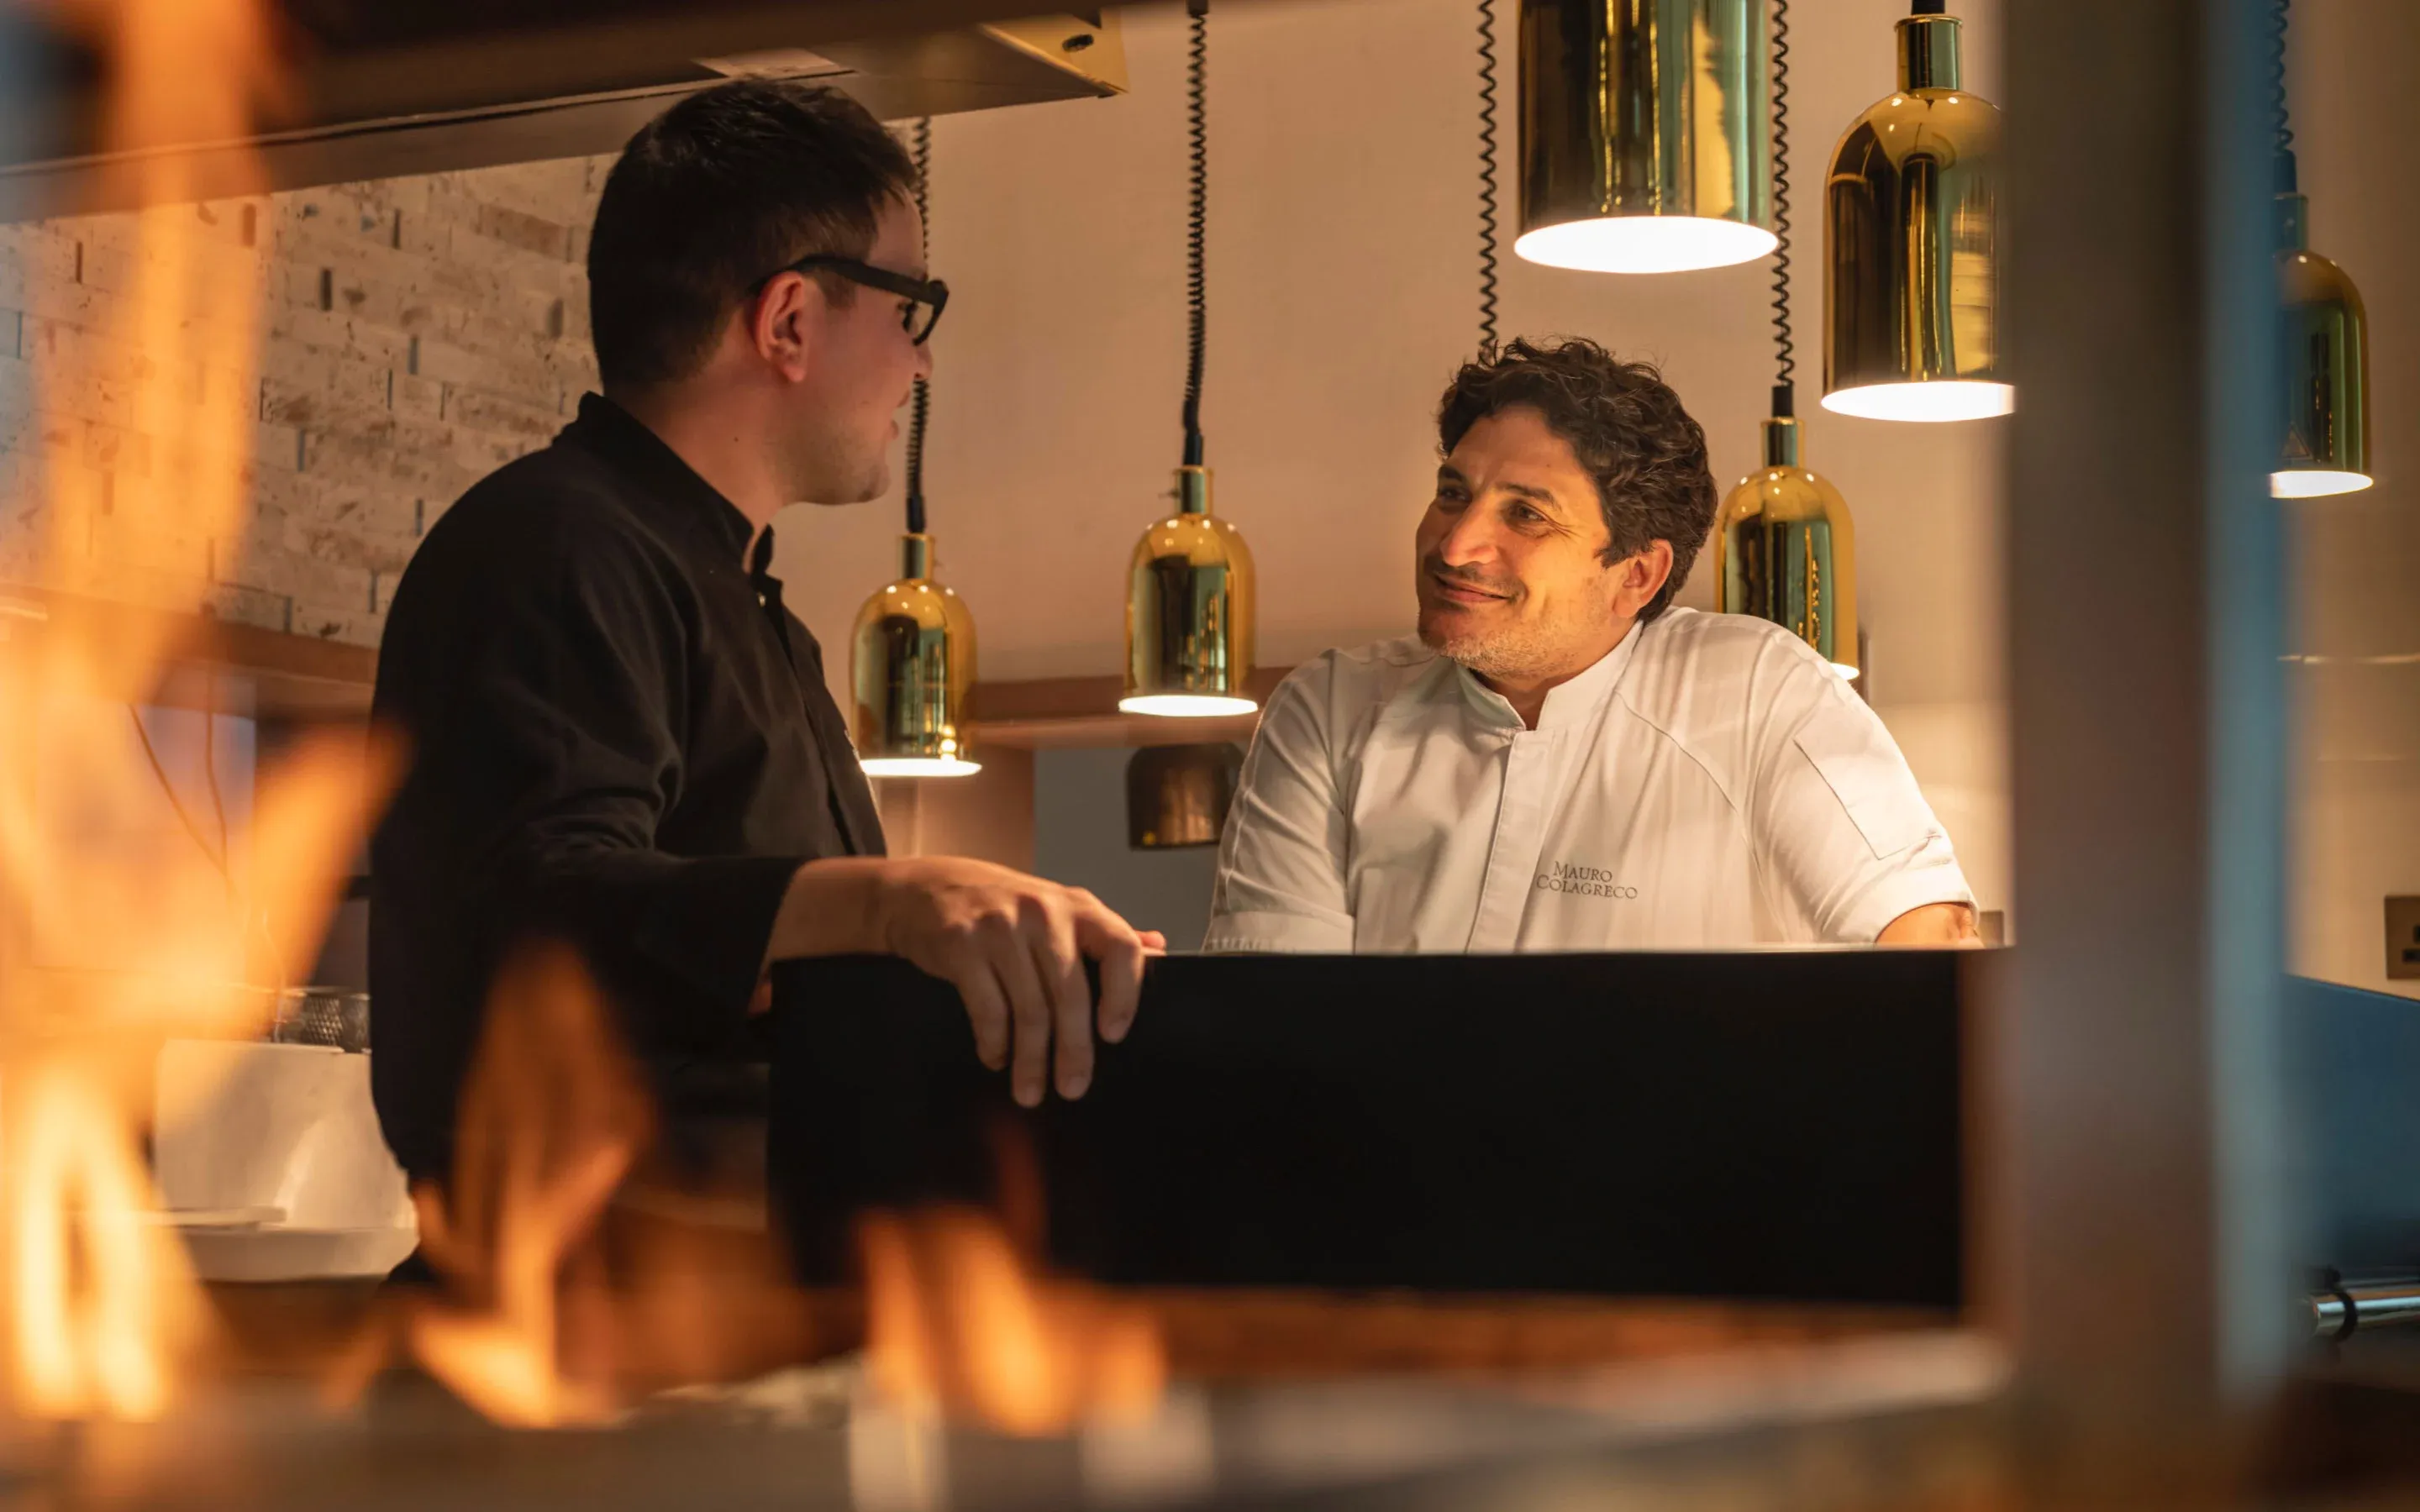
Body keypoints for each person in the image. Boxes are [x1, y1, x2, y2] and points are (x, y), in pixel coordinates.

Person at [371, 81, 1152, 1192]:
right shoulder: (554, 544)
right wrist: (895, 900)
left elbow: (791, 1003)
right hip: (587, 1331)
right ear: (789, 320)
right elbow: (539, 914)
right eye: (908, 310)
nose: (921, 364)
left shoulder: (750, 607)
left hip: (760, 1307)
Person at [1203, 338, 1977, 953]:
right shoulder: (1330, 710)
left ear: (1636, 576)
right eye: (1452, 494)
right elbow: (1276, 1021)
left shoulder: (1756, 691)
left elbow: (1928, 938)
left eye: (1527, 517)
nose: (1458, 544)